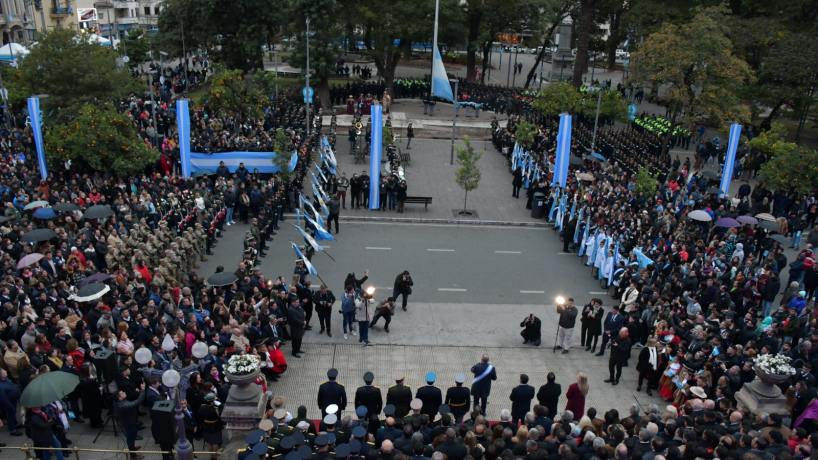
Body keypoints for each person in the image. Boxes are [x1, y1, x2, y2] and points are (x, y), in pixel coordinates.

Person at [114, 384, 146, 457]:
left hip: (129, 421)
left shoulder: (120, 402)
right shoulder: (124, 405)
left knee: (132, 436)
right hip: (128, 424)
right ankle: (133, 455)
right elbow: (137, 402)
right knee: (131, 437)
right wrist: (143, 391)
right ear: (119, 398)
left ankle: (133, 448)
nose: (124, 392)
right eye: (122, 393)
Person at [197, 393, 224, 460]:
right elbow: (221, 418)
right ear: (212, 401)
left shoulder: (202, 408)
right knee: (215, 443)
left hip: (206, 428)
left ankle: (211, 456)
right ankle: (215, 457)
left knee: (209, 442)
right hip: (215, 428)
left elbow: (199, 418)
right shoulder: (216, 409)